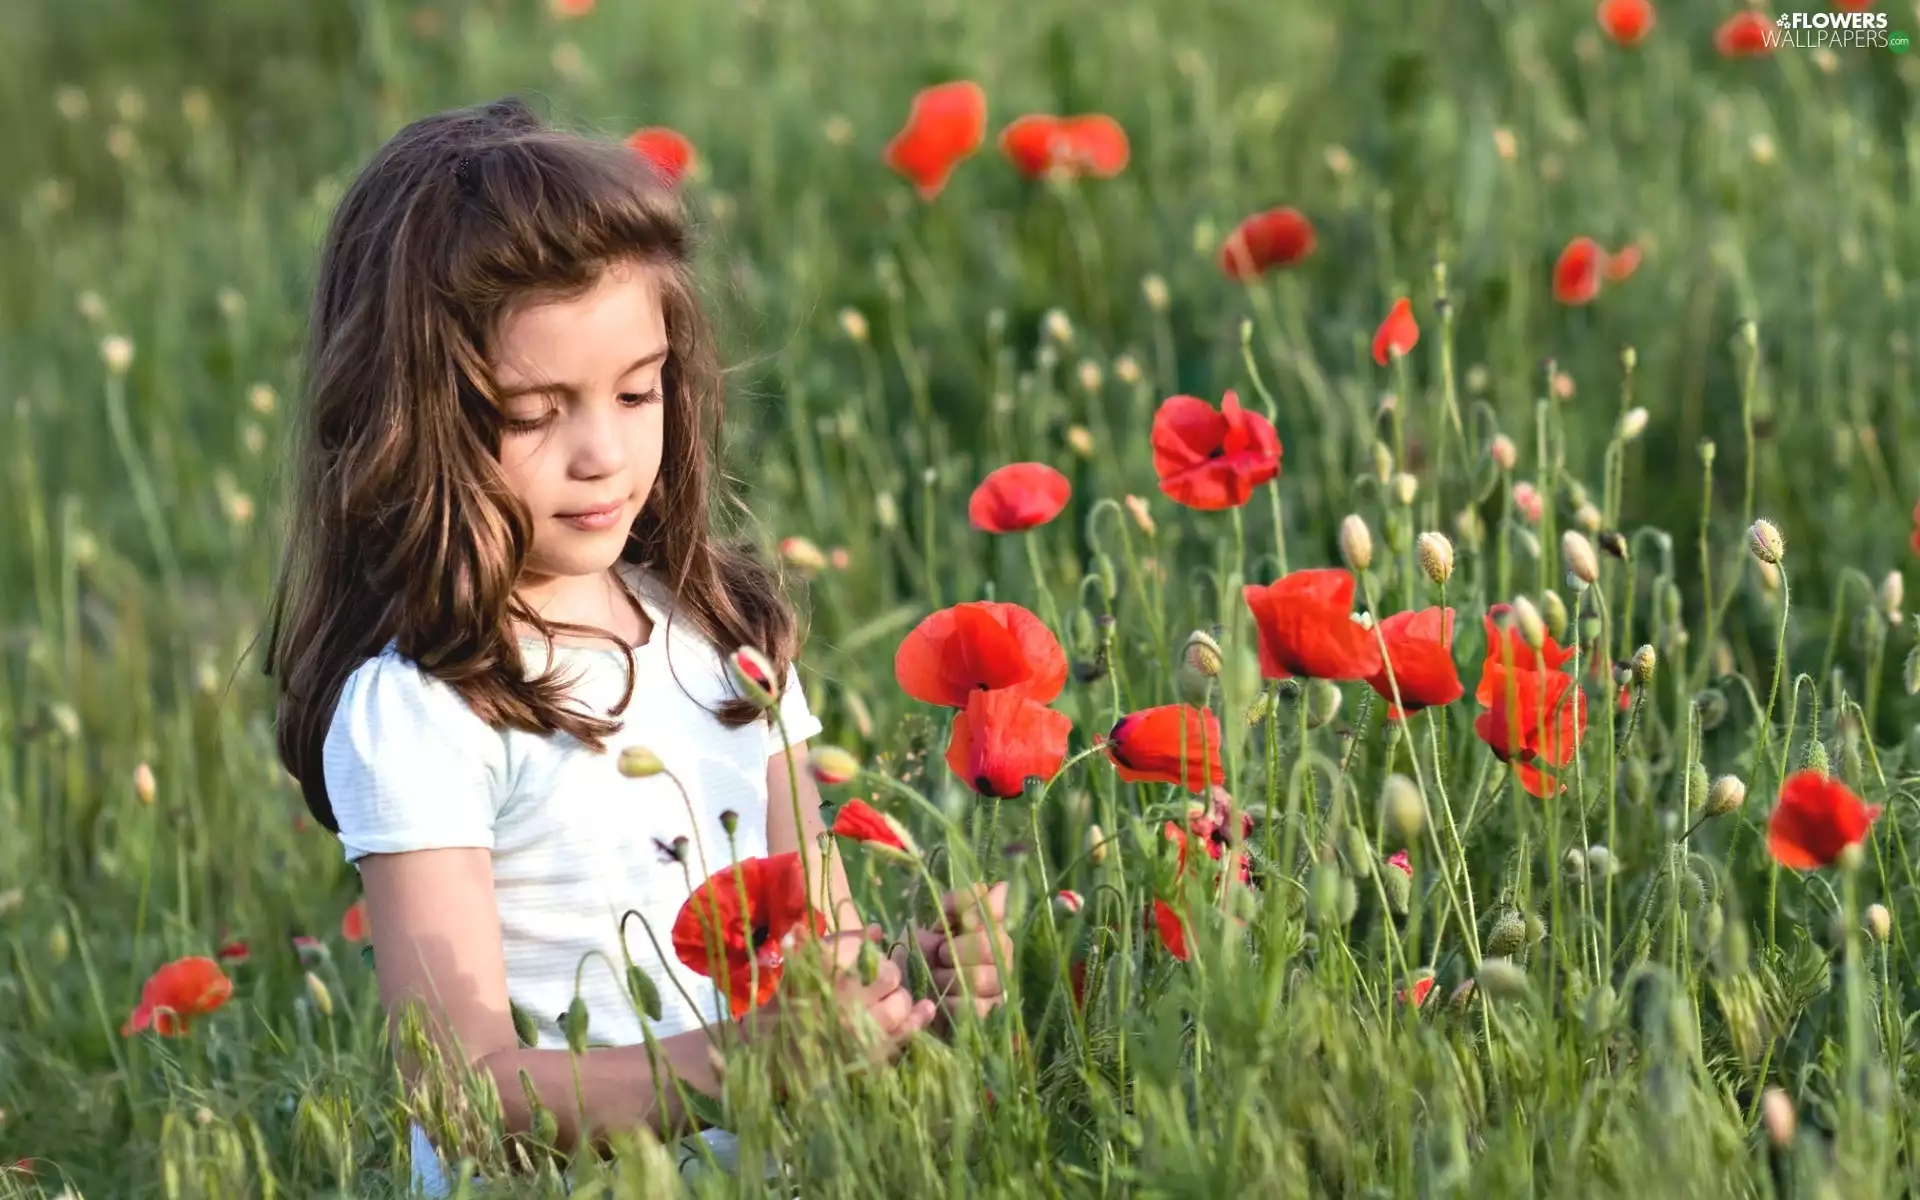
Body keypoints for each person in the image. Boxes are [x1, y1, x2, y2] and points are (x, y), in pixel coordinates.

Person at [261, 95, 1013, 1194]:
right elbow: (462, 1091)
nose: (603, 452)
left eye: (636, 391)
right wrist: (733, 1069)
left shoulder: (724, 640)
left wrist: (907, 1008)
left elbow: (825, 958)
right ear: (408, 418)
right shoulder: (427, 709)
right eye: (534, 412)